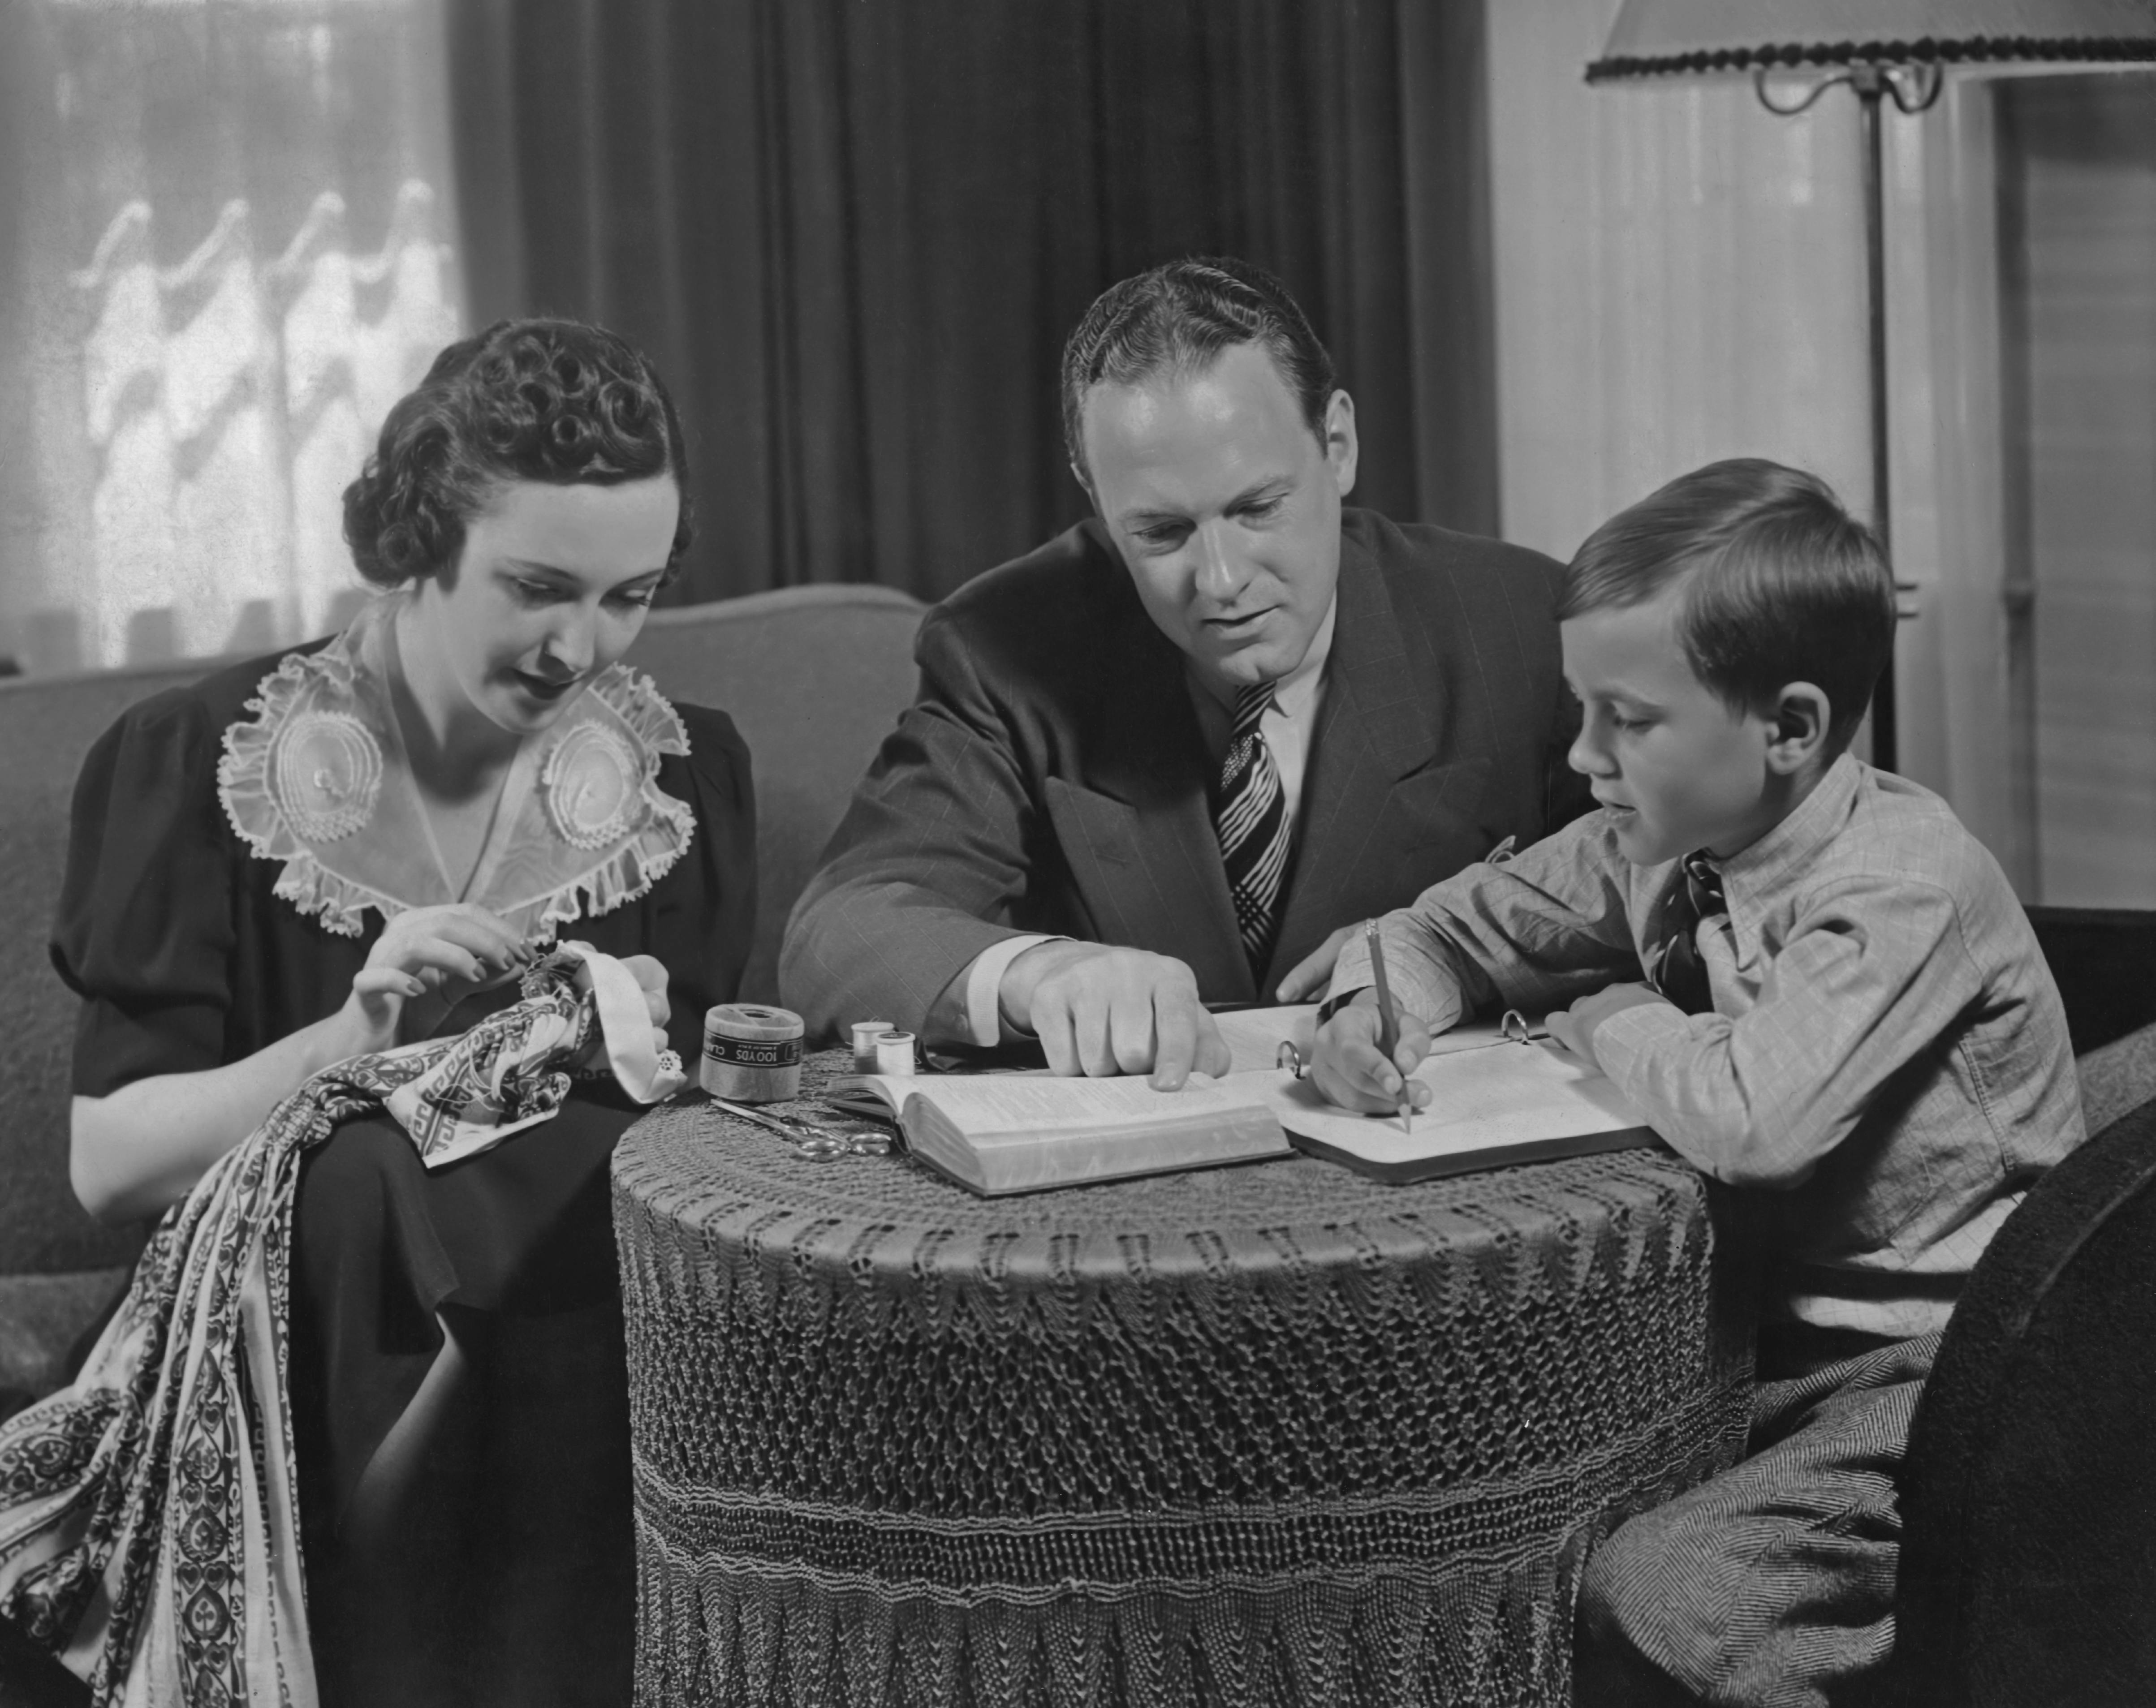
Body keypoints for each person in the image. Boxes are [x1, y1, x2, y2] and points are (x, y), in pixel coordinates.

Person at [51, 318, 754, 1706]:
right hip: (273, 1366)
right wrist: (351, 1040)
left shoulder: (678, 782)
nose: (580, 648)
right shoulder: (200, 760)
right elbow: (111, 1165)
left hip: (589, 1380)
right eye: (537, 588)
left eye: (629, 596)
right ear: (418, 537)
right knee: (362, 1170)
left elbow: (687, 1161)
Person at [1308, 458, 2084, 1706]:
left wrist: (1615, 1016)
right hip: (1746, 1347)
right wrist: (1370, 1010)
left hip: (1937, 1370)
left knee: (1662, 1595)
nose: (1584, 754)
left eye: (1629, 719)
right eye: (1581, 709)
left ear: (1789, 729)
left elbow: (1752, 1117)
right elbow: (1444, 927)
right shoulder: (1661, 841)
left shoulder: (1898, 883)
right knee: (1486, 1520)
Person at [781, 256, 1588, 1084]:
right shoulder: (1003, 649)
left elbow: (1654, 903)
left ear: (1338, 446)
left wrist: (1450, 950)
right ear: (1096, 497)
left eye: (1258, 508)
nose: (1222, 580)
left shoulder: (1527, 623)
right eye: (1162, 533)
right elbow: (840, 930)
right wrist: (1042, 973)